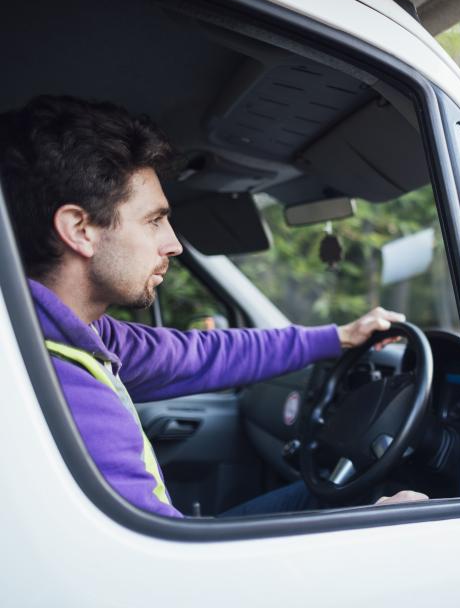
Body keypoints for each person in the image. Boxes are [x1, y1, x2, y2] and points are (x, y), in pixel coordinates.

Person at [0, 95, 426, 518]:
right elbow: (164, 578)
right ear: (80, 229)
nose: (174, 244)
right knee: (363, 510)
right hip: (169, 574)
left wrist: (336, 338)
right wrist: (374, 529)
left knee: (320, 497)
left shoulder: (71, 333)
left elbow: (198, 354)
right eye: (153, 221)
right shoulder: (62, 388)